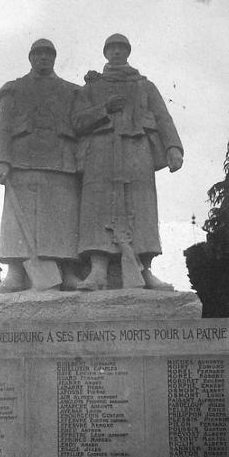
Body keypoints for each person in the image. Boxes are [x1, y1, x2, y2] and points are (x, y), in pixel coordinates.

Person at [72, 33, 184, 290]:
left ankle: (145, 273)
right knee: (96, 208)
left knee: (141, 208)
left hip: (136, 150)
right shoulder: (91, 88)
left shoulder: (145, 86)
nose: (117, 52)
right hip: (100, 151)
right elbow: (76, 122)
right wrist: (105, 109)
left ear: (128, 52)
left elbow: (163, 117)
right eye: (112, 48)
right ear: (105, 53)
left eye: (121, 48)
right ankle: (97, 271)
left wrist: (173, 147)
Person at [0, 39, 80, 292]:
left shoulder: (71, 91)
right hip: (22, 162)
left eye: (48, 54)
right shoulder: (15, 90)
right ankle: (15, 275)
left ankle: (68, 272)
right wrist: (1, 160)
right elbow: (2, 128)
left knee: (63, 219)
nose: (43, 58)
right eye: (38, 54)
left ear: (54, 58)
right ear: (30, 58)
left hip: (62, 162)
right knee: (17, 221)